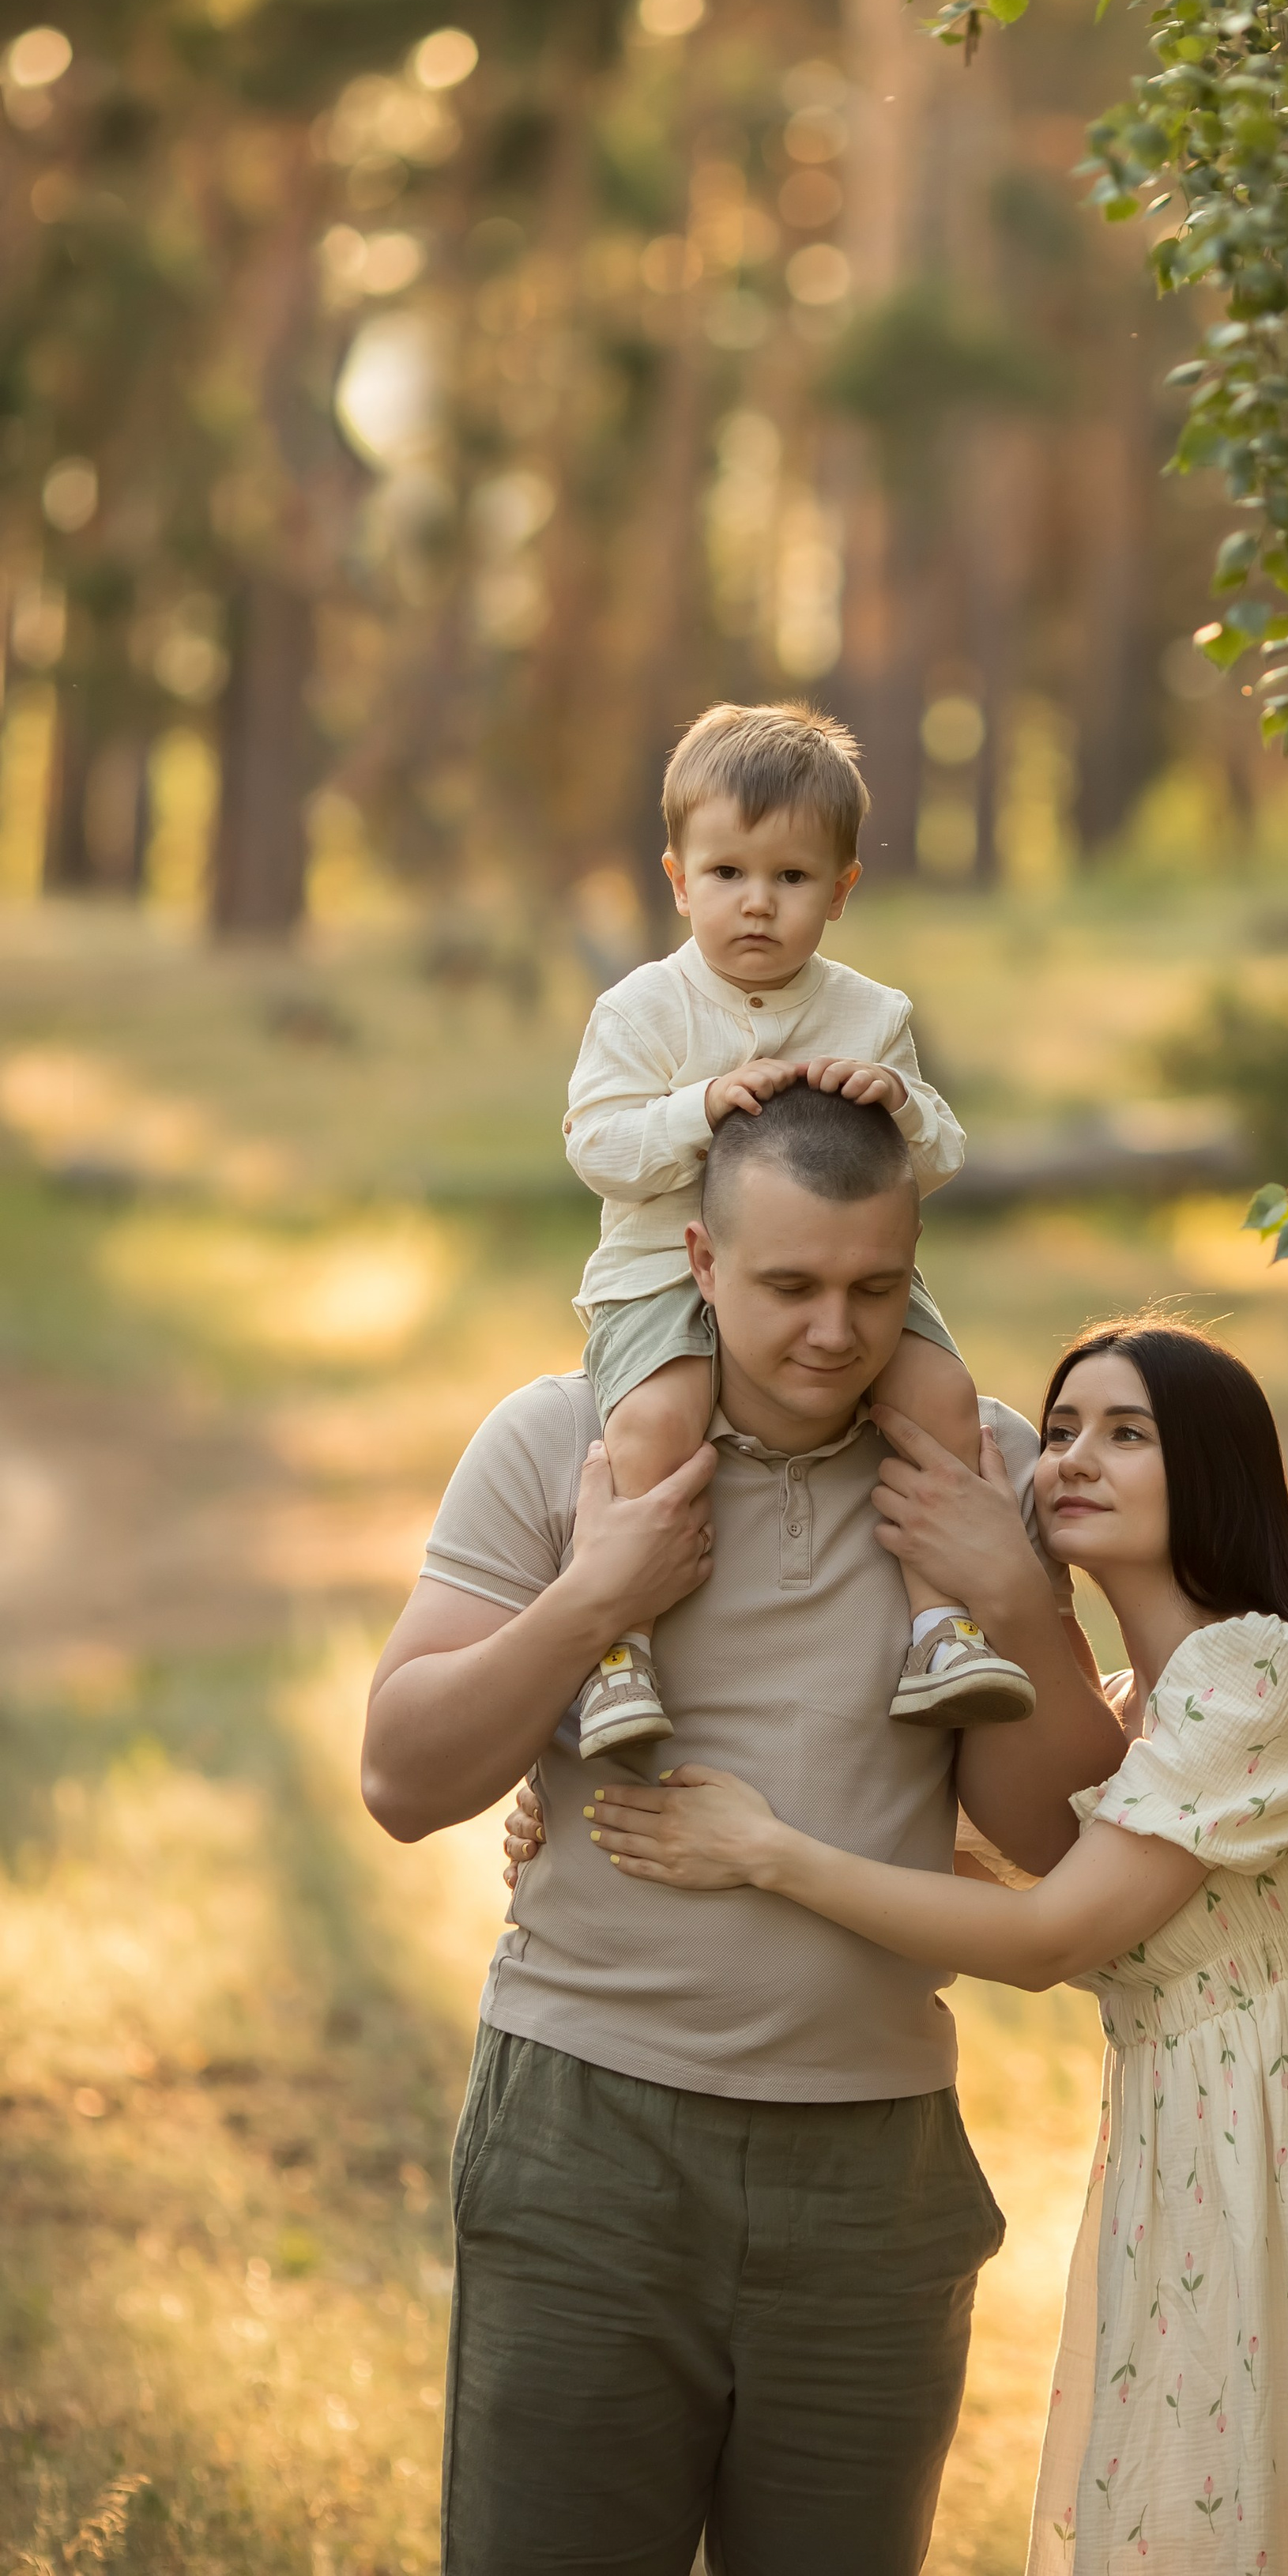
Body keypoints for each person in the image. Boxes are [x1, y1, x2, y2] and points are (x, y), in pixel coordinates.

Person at [547, 1318, 1288, 2576]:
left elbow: (1038, 1934)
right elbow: (925, 1859)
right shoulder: (1133, 1715)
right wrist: (583, 1814)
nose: (1073, 1457)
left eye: (1127, 1433)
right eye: (1061, 1428)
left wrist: (764, 1852)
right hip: (1192, 2139)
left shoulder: (1267, 1673)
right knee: (1206, 2505)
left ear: (1217, 1472)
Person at [360, 1082, 1128, 2576]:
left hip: (874, 2170)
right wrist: (596, 1596)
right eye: (787, 1286)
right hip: (589, 2138)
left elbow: (1048, 1841)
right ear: (700, 1262)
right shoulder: (561, 1443)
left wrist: (1022, 1601)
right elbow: (400, 1779)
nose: (834, 1333)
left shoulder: (979, 1464)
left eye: (876, 1289)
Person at [563, 696, 1033, 1755]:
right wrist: (700, 1111)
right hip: (659, 1272)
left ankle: (938, 1628)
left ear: (842, 890)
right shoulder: (643, 1011)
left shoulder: (873, 1016)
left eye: (792, 878)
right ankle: (618, 1649)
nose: (758, 906)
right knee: (655, 1421)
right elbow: (597, 1146)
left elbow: (943, 1158)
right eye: (728, 875)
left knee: (944, 1394)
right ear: (679, 880)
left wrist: (899, 1103)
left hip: (844, 1271)